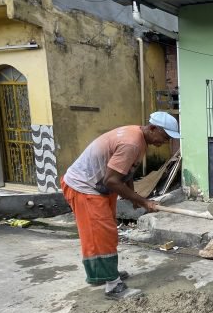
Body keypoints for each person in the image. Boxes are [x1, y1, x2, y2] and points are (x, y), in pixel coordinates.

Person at [61, 112, 181, 300]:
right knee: (101, 235)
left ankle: (102, 275)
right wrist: (143, 201)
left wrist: (134, 197)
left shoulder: (139, 138)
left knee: (100, 234)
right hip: (85, 188)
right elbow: (112, 180)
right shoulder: (131, 143)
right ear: (153, 129)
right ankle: (113, 286)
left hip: (99, 188)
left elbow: (127, 172)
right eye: (165, 137)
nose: (165, 142)